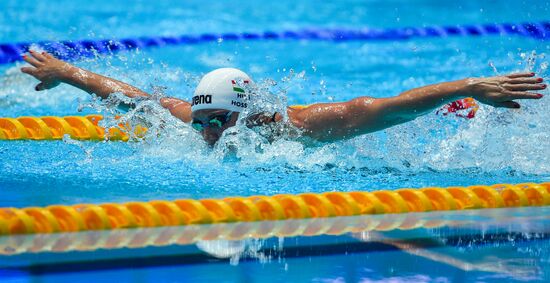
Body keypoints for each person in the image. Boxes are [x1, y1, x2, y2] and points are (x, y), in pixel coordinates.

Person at [20, 50, 546, 145]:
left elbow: (393, 105)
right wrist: (66, 72)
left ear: (246, 114)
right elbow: (134, 98)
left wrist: (473, 86)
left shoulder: (302, 127)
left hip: (443, 114)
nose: (206, 134)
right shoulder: (203, 121)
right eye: (201, 122)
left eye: (217, 123)